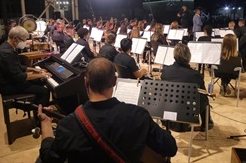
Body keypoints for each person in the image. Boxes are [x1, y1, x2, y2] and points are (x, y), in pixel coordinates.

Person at [38, 58, 177, 163]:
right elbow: (170, 148)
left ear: (86, 82)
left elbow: (48, 158)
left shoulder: (68, 125)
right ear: (115, 81)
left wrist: (45, 123)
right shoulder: (139, 116)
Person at [161, 43, 214, 131]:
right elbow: (203, 94)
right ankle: (206, 123)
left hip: (169, 111)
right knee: (204, 98)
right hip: (188, 113)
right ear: (188, 57)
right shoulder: (195, 75)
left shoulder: (166, 71)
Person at [0, 26, 51, 106]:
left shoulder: (6, 47)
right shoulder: (7, 53)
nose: (25, 43)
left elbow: (17, 67)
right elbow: (19, 77)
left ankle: (36, 107)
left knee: (38, 81)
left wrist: (33, 70)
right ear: (15, 38)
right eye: (23, 40)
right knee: (44, 91)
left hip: (10, 81)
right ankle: (41, 116)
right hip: (8, 87)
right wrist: (41, 75)